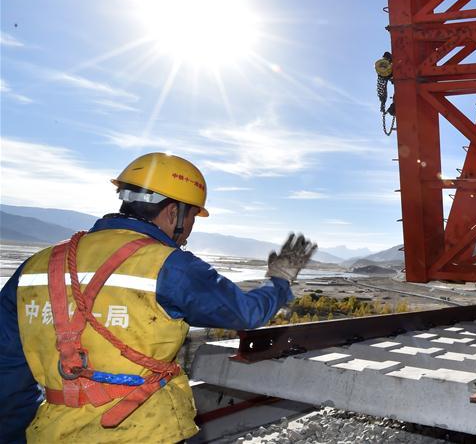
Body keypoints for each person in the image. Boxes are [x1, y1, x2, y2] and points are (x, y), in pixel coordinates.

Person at [0, 153, 317, 443]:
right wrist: (280, 280)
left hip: (51, 433)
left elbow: (8, 368)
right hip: (146, 431)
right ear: (172, 212)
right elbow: (245, 312)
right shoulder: (170, 265)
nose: (189, 228)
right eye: (191, 216)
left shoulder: (37, 264)